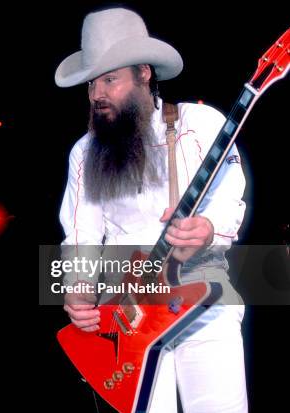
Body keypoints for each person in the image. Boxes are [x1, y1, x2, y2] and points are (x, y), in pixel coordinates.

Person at [55, 7, 247, 413]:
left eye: (110, 80)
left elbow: (230, 195)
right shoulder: (85, 152)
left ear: (144, 73)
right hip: (126, 317)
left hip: (203, 299)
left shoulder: (199, 124)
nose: (97, 95)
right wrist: (77, 290)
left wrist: (209, 227)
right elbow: (82, 236)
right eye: (91, 84)